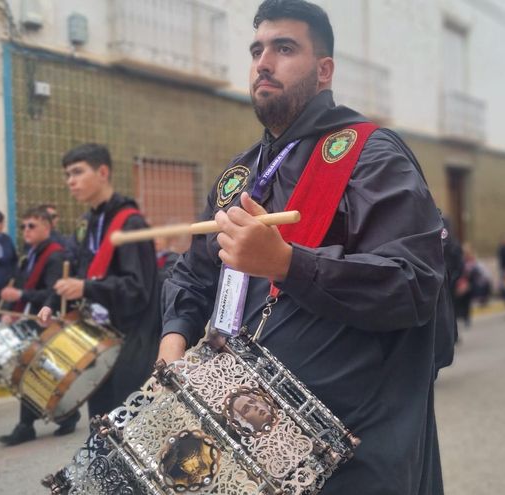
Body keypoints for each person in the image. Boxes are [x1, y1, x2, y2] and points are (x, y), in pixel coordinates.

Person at [158, 1, 449, 493]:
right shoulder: (240, 175)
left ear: (324, 69)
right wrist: (174, 338)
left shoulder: (370, 153)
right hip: (248, 428)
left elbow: (411, 283)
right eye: (257, 50)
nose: (263, 62)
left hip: (350, 441)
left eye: (284, 48)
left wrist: (287, 264)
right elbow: (193, 273)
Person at [38, 143, 160, 418]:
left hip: (132, 343)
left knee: (127, 425)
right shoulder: (87, 223)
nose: (71, 181)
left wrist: (85, 288)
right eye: (67, 174)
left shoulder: (131, 224)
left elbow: (137, 289)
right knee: (101, 422)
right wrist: (52, 301)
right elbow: (78, 271)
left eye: (78, 172)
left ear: (102, 172)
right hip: (99, 341)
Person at [0, 207, 80, 445]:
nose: (26, 231)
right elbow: (28, 290)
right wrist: (14, 310)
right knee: (34, 373)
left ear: (47, 226)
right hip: (30, 319)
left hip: (47, 321)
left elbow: (51, 292)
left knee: (31, 371)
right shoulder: (31, 254)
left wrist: (20, 293)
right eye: (23, 226)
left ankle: (27, 425)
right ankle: (64, 415)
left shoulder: (56, 255)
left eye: (32, 226)